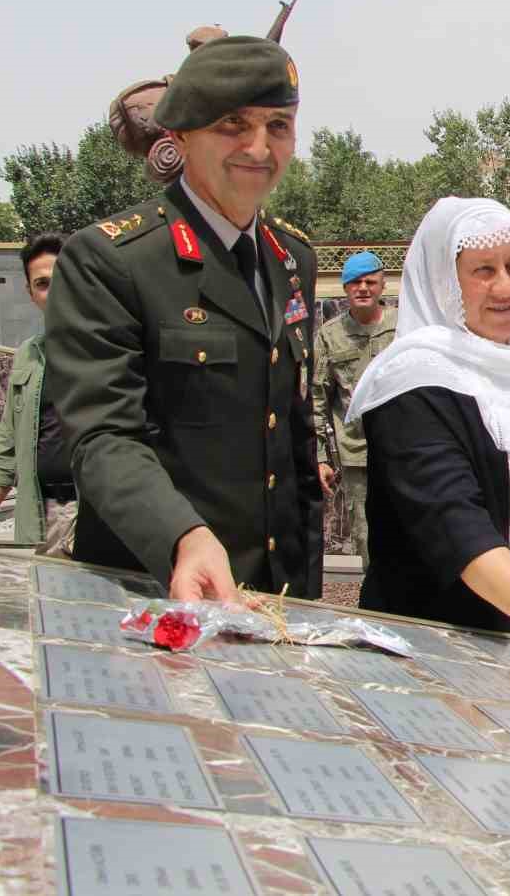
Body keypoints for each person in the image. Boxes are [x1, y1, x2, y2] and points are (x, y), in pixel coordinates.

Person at [47, 36, 321, 601]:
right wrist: (183, 538)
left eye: (278, 126)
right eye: (232, 124)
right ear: (181, 136)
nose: (258, 146)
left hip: (274, 602)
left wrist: (306, 587)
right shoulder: (111, 260)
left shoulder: (292, 259)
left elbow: (293, 442)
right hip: (154, 590)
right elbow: (103, 437)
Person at [347, 198, 510, 653]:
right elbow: (449, 517)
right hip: (458, 643)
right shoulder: (414, 384)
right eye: (483, 271)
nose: (505, 287)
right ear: (443, 283)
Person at [312, 250, 397, 571]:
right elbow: (317, 399)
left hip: (405, 450)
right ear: (345, 288)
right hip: (357, 455)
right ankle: (378, 604)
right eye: (355, 283)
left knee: (412, 528)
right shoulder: (330, 335)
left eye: (370, 281)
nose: (363, 288)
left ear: (382, 285)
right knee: (366, 537)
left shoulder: (404, 327)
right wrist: (320, 457)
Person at [0, 235, 76, 554]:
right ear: (31, 294)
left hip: (97, 515)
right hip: (43, 515)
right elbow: (7, 447)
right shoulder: (28, 355)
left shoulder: (110, 349)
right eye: (42, 284)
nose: (53, 291)